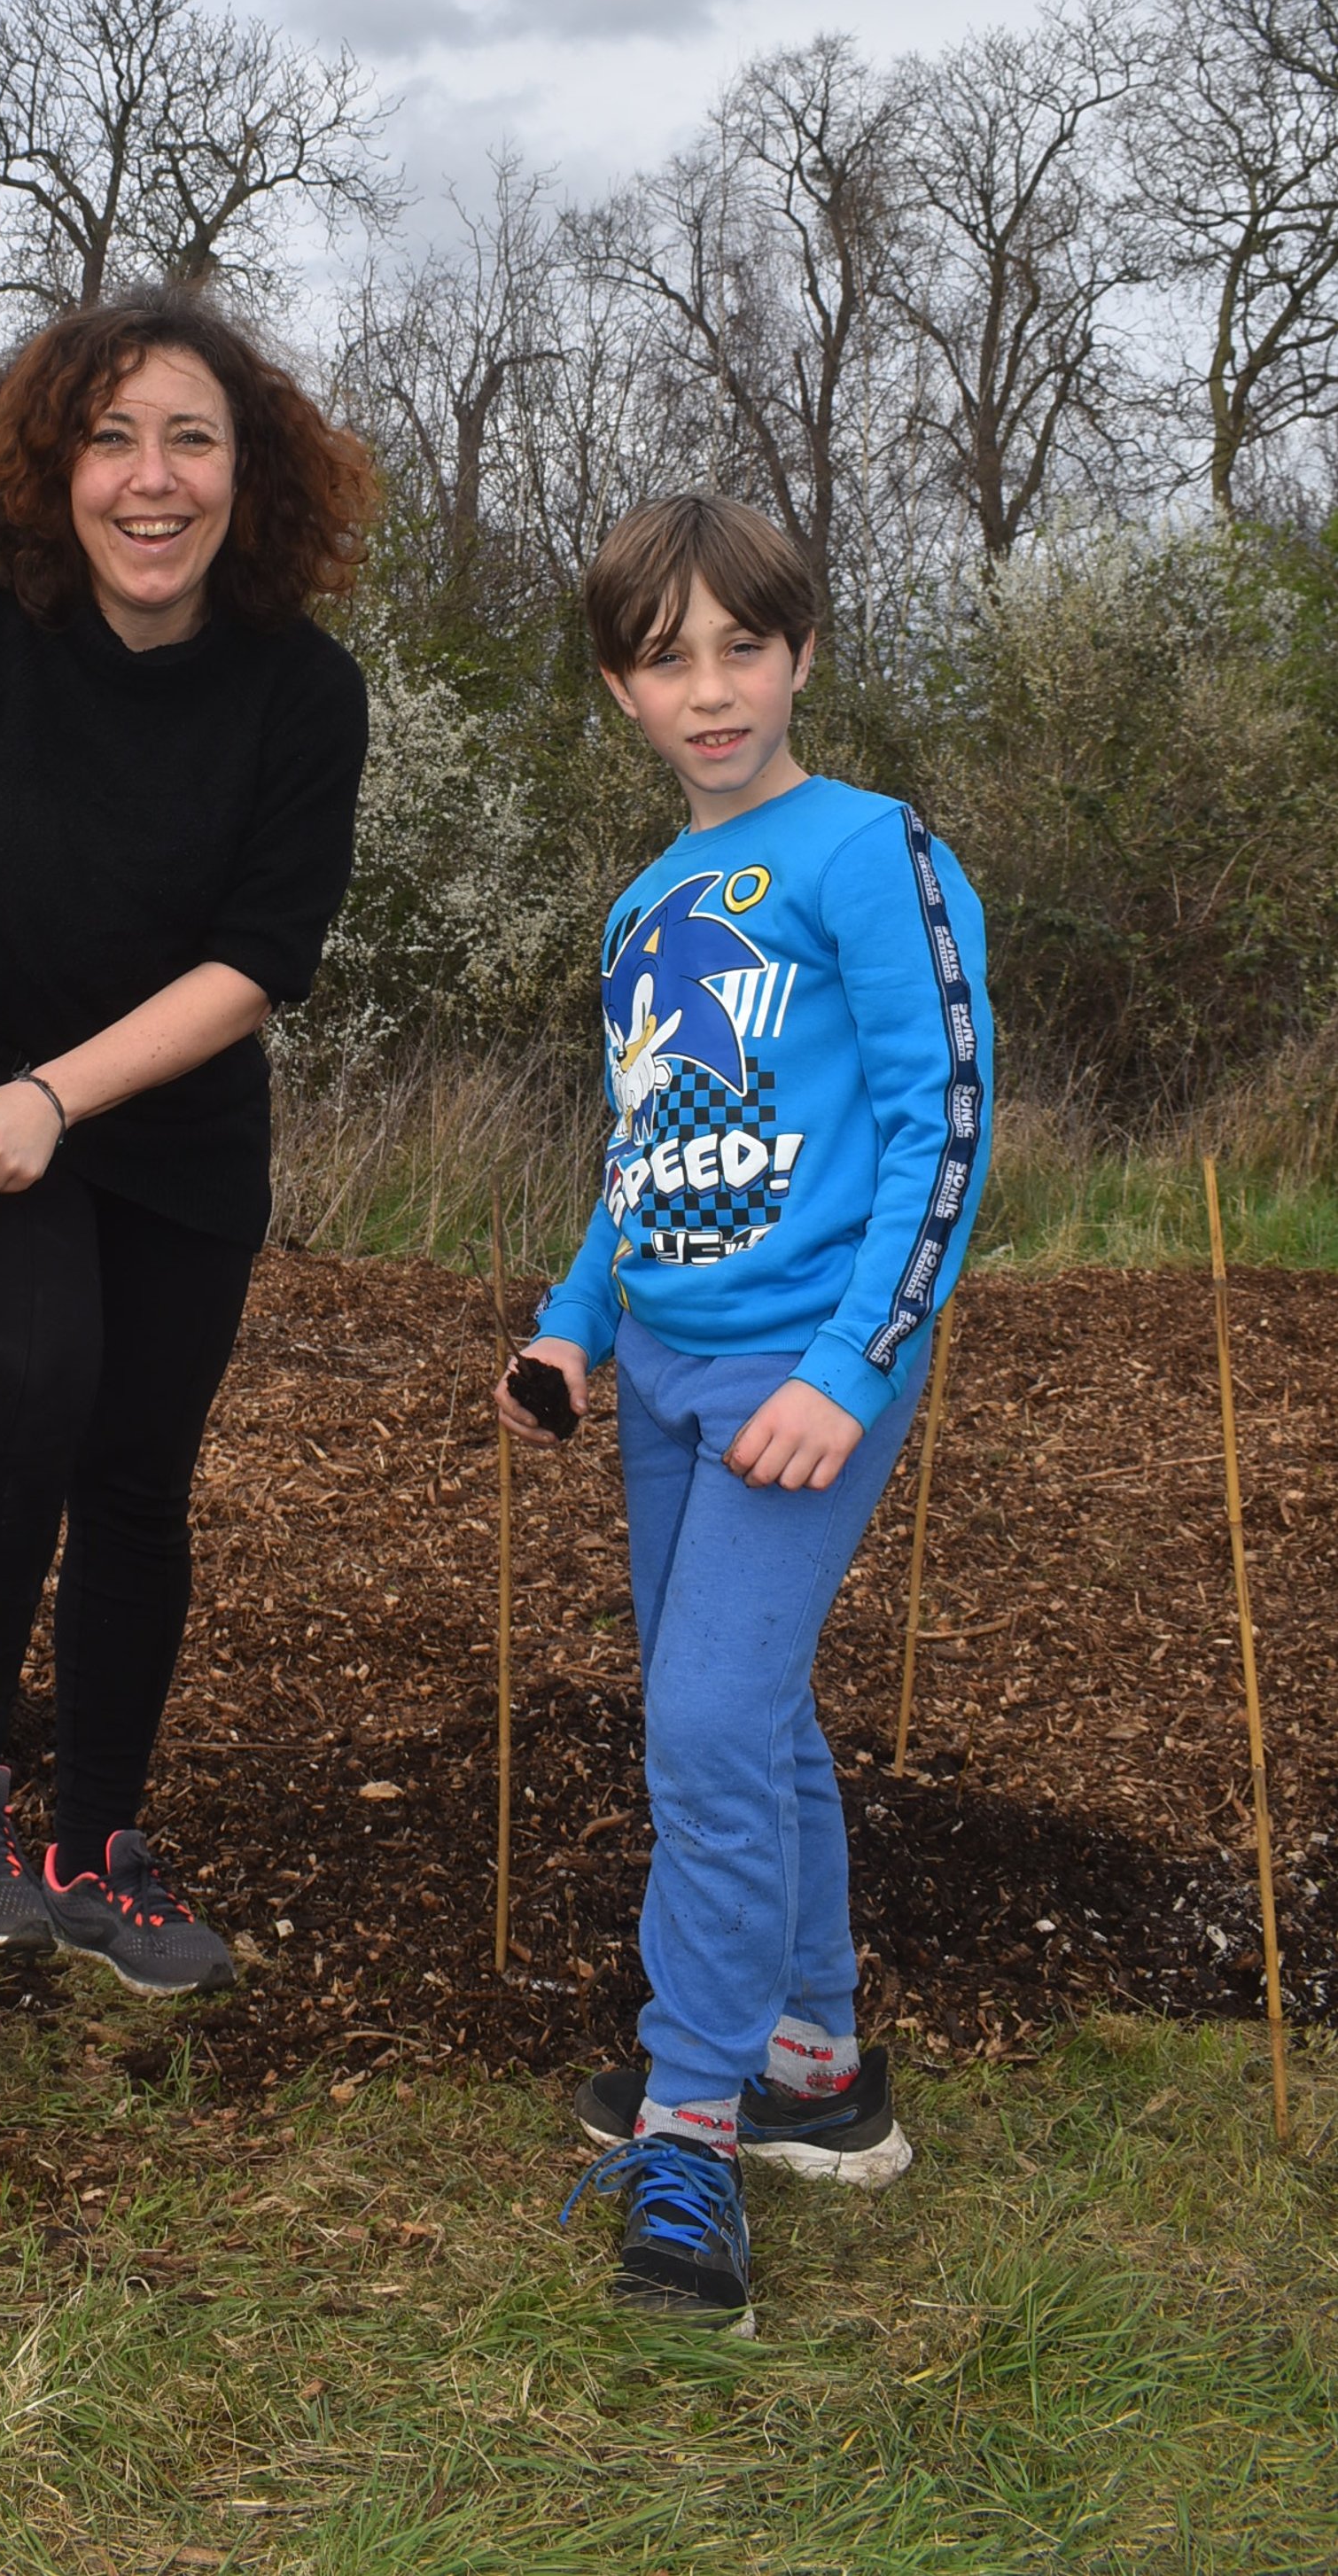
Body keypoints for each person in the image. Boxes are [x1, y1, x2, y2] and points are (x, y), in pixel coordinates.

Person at [0, 288, 372, 1994]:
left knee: (138, 1474)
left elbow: (263, 963)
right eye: (112, 439)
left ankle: (96, 1837)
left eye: (192, 438)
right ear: (57, 472)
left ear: (249, 475)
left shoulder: (302, 694)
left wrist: (65, 1099)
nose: (152, 479)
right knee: (28, 1382)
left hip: (174, 1127)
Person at [498, 493, 990, 2332]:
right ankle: (811, 2059)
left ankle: (690, 2133)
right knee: (741, 1718)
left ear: (798, 653)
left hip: (807, 1370)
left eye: (738, 646)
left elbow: (943, 1126)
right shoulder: (639, 905)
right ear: (620, 685)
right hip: (668, 1372)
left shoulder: (872, 853)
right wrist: (567, 1331)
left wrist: (848, 1369)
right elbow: (643, 1154)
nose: (706, 690)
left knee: (701, 1726)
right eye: (660, 657)